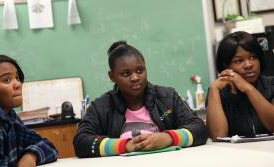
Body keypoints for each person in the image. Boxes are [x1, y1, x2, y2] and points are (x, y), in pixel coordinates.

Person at [74, 41, 207, 158]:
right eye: (126, 74)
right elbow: (81, 142)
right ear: (112, 76)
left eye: (139, 70)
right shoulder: (101, 107)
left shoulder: (168, 99)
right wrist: (125, 146)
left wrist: (169, 138)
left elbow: (199, 129)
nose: (135, 77)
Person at [0, 54, 58, 167]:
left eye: (17, 78)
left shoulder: (7, 114)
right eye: (7, 80)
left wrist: (31, 155)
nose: (18, 84)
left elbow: (49, 146)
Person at [206, 31, 274, 140]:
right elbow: (218, 136)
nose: (249, 65)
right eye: (238, 61)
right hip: (236, 155)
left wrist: (248, 88)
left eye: (253, 57)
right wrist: (214, 89)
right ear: (226, 66)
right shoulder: (219, 93)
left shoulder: (272, 85)